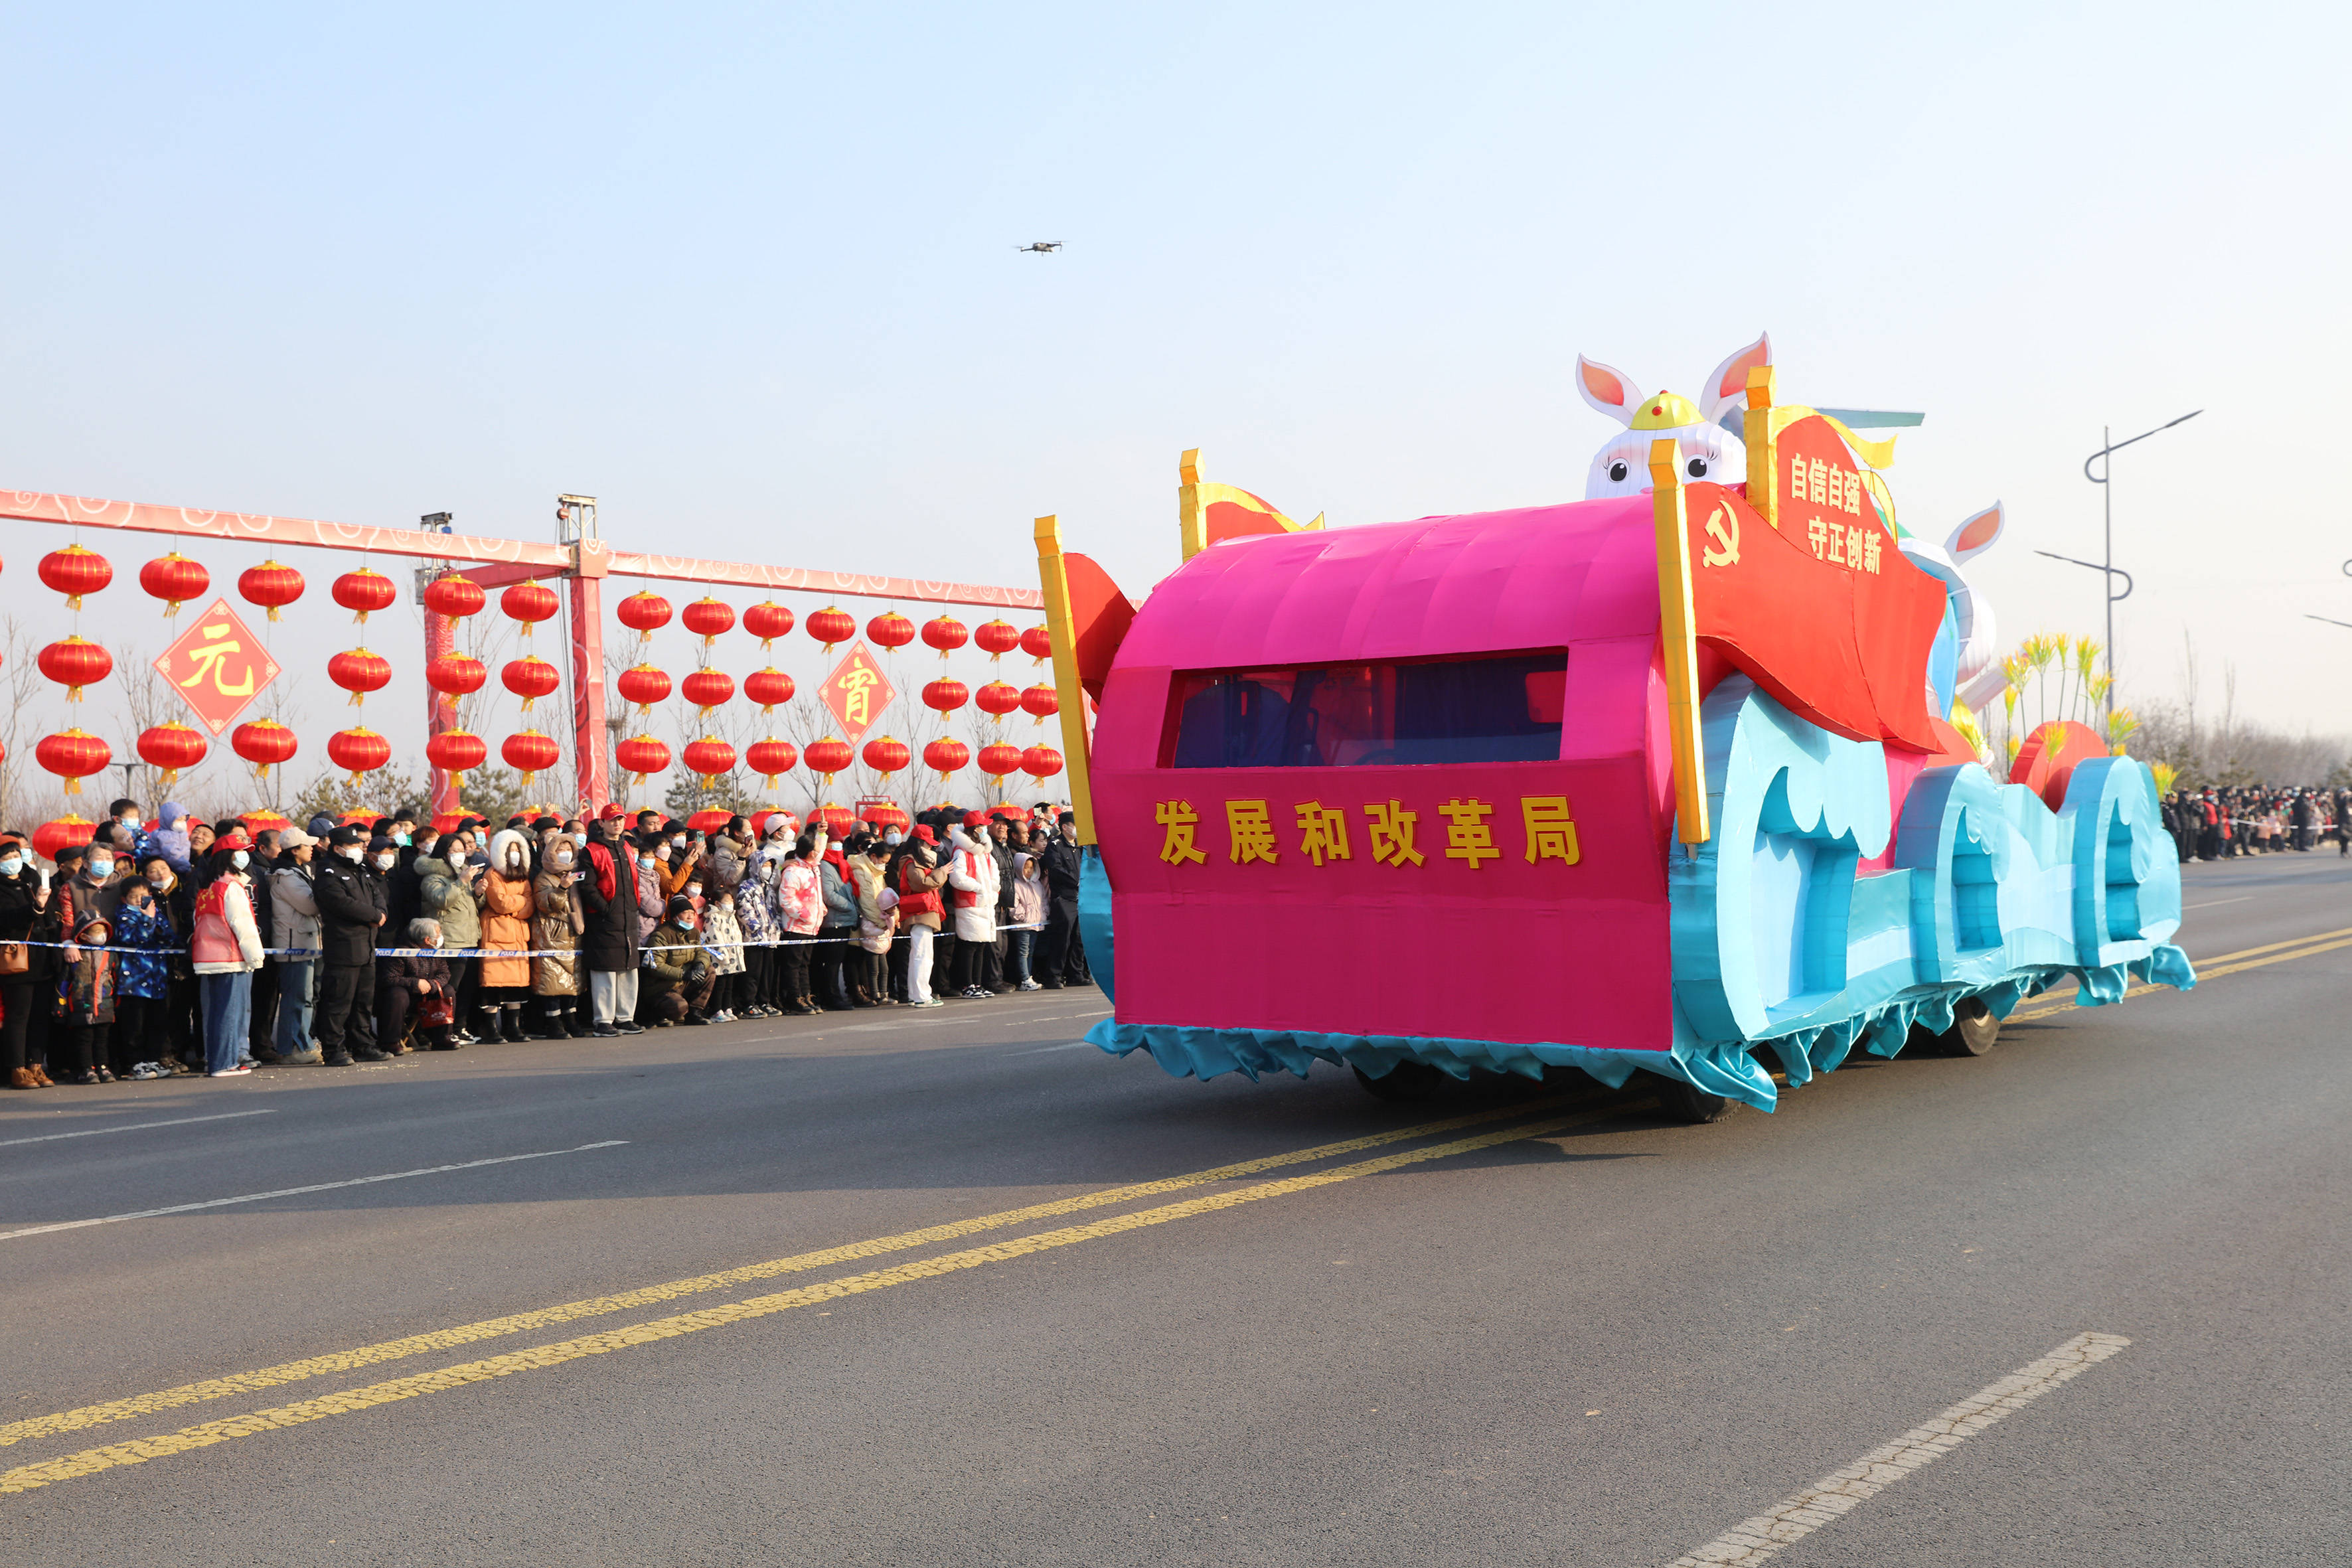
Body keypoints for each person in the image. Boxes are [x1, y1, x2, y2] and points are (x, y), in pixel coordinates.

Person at [311, 824, 389, 1065]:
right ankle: (333, 1049)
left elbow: (378, 896)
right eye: (353, 846)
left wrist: (380, 912)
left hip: (367, 946)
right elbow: (341, 903)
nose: (358, 849)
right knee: (338, 1002)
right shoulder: (327, 872)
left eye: (359, 845)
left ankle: (363, 1045)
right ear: (337, 848)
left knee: (363, 1002)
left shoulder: (362, 870)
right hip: (344, 946)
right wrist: (374, 916)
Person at [189, 832, 265, 1077]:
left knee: (218, 1013)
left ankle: (220, 1060)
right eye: (239, 852)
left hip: (209, 957)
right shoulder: (231, 887)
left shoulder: (210, 887)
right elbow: (242, 924)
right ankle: (225, 1063)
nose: (244, 857)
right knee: (230, 1013)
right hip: (231, 957)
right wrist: (255, 957)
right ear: (227, 857)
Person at [417, 835, 487, 1042]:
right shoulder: (433, 877)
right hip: (450, 940)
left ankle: (460, 1027)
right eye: (454, 849)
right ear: (443, 853)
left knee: (467, 988)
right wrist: (461, 882)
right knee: (451, 988)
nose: (460, 853)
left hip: (470, 939)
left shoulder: (462, 875)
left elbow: (472, 908)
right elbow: (441, 901)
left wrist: (478, 894)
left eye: (462, 849)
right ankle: (443, 1029)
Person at [580, 818, 644, 1038]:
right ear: (604, 823)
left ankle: (626, 1018)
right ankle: (603, 1021)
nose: (617, 824)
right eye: (613, 820)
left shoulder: (626, 846)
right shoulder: (592, 850)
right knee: (605, 971)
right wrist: (604, 909)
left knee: (629, 969)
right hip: (604, 919)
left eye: (621, 820)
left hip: (628, 917)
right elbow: (587, 886)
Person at [112, 872, 180, 1077]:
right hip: (134, 981)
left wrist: (155, 922)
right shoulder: (124, 915)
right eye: (135, 897)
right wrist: (147, 919)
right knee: (135, 1024)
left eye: (144, 895)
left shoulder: (155, 912)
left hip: (156, 978)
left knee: (157, 1022)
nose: (140, 900)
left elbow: (168, 939)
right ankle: (135, 1062)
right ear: (125, 899)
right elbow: (134, 938)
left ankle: (153, 1059)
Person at [268, 827, 323, 1064]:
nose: (312, 848)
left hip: (306, 942)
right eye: (306, 845)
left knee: (305, 997)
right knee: (296, 998)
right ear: (294, 850)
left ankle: (303, 1043)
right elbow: (310, 906)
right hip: (294, 944)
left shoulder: (300, 872)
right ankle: (290, 1048)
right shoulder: (287, 876)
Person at [477, 829, 536, 1043]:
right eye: (511, 851)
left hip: (519, 935)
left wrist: (516, 904)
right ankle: (491, 1028)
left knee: (517, 984)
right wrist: (519, 902)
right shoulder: (492, 874)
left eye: (518, 851)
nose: (515, 855)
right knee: (493, 982)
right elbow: (499, 903)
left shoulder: (524, 876)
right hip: (497, 933)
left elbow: (531, 905)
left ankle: (514, 1026)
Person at [530, 836, 586, 1038]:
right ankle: (553, 1022)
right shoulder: (544, 877)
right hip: (552, 935)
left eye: (568, 848)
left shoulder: (577, 873)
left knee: (572, 982)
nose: (565, 852)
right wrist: (562, 887)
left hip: (573, 934)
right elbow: (546, 904)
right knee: (553, 982)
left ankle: (570, 1019)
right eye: (560, 848)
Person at [54, 913, 118, 1085]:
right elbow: (63, 983)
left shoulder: (110, 954)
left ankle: (103, 1067)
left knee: (102, 1039)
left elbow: (116, 978)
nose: (102, 935)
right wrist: (60, 1006)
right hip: (80, 1006)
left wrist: (116, 1002)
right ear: (83, 935)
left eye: (104, 931)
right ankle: (86, 1069)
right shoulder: (75, 956)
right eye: (97, 931)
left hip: (104, 1005)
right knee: (84, 1039)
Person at [377, 919, 457, 1051]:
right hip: (408, 997)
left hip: (429, 995)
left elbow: (445, 974)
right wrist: (415, 983)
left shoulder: (438, 950)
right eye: (437, 935)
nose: (440, 937)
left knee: (448, 990)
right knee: (397, 994)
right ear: (427, 940)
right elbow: (389, 978)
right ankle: (390, 1042)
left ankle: (443, 1038)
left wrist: (432, 985)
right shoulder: (401, 952)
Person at [945, 817, 998, 999]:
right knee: (970, 946)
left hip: (985, 904)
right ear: (974, 829)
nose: (984, 829)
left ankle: (978, 983)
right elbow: (957, 878)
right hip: (970, 904)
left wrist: (993, 890)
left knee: (981, 945)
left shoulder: (984, 851)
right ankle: (968, 985)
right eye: (981, 826)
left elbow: (995, 873)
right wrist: (980, 888)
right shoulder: (961, 851)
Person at [641, 894, 714, 1026]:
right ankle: (656, 1014)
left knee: (709, 971)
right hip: (662, 987)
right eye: (685, 913)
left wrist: (700, 965)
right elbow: (655, 965)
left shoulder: (694, 932)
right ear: (675, 916)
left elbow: (702, 951)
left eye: (692, 912)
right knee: (680, 1008)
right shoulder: (662, 934)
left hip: (682, 983)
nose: (690, 916)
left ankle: (695, 1013)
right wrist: (683, 974)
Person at [776, 830, 827, 1014]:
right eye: (816, 849)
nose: (819, 852)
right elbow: (787, 900)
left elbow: (816, 895)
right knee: (793, 965)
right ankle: (793, 998)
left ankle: (805, 995)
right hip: (796, 925)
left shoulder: (812, 868)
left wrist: (820, 908)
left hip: (811, 926)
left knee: (805, 964)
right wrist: (806, 914)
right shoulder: (793, 871)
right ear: (810, 852)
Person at [896, 832, 948, 1008]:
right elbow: (922, 883)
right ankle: (922, 996)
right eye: (928, 844)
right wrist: (941, 873)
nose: (931, 847)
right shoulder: (911, 862)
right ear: (920, 843)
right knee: (923, 956)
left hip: (921, 912)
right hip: (920, 912)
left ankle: (916, 995)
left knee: (920, 955)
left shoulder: (911, 861)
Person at [849, 834, 898, 1007]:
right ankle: (874, 993)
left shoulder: (876, 870)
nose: (883, 864)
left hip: (881, 923)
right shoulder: (861, 869)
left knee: (883, 967)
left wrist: (894, 915)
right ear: (873, 857)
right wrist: (883, 922)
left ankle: (883, 993)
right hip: (871, 923)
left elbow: (886, 895)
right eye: (882, 860)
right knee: (873, 967)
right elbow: (868, 900)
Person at [1034, 819, 1082, 990]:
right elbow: (1056, 869)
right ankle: (1053, 976)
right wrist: (1076, 882)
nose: (1077, 829)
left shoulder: (1079, 845)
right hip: (1063, 897)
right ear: (1065, 827)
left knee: (1078, 937)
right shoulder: (1055, 845)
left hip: (1079, 897)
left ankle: (1075, 974)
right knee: (1062, 938)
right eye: (1075, 825)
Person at [734, 852, 779, 1016]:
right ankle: (748, 1004)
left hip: (771, 938)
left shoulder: (769, 888)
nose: (767, 869)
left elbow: (775, 911)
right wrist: (756, 928)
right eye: (764, 865)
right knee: (753, 973)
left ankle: (764, 1001)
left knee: (768, 973)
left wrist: (776, 929)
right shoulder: (746, 886)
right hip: (754, 938)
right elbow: (744, 910)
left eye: (770, 866)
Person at [704, 888, 745, 1020]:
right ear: (717, 903)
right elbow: (715, 937)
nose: (730, 903)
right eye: (727, 901)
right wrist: (723, 955)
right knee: (720, 985)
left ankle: (727, 1007)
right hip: (720, 958)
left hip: (733, 956)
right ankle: (716, 1010)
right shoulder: (713, 917)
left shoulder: (731, 916)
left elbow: (737, 935)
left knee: (729, 985)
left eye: (731, 900)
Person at [1008, 848, 1046, 990]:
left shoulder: (1037, 884)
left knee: (1030, 951)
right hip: (1022, 925)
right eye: (1026, 867)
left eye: (1031, 868)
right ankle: (1024, 978)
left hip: (1036, 924)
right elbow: (1013, 906)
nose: (1029, 871)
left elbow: (1043, 901)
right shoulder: (1016, 884)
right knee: (1023, 952)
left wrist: (1044, 914)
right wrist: (1023, 917)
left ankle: (1028, 977)